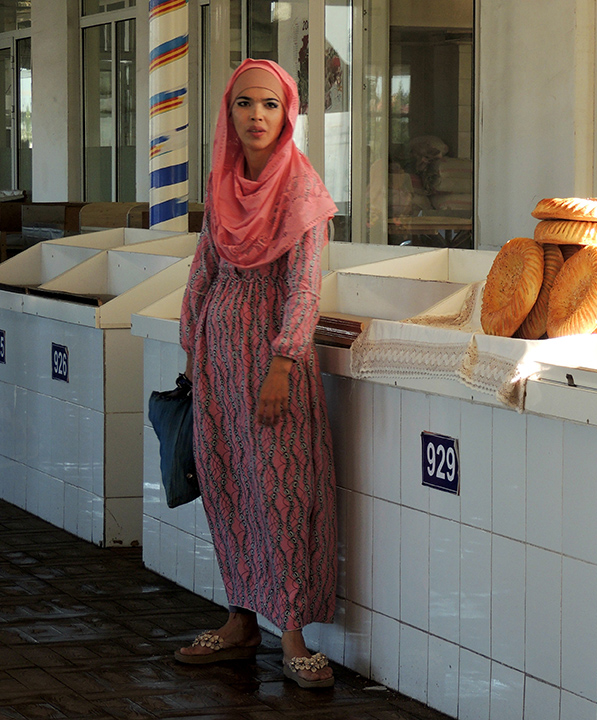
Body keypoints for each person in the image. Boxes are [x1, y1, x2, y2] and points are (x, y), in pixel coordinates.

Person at [175, 58, 338, 689]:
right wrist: (193, 346)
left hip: (275, 360)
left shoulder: (301, 191)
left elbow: (304, 287)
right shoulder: (222, 183)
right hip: (218, 355)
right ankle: (242, 618)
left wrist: (282, 362)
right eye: (245, 103)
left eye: (270, 104)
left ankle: (292, 630)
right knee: (229, 483)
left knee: (281, 488)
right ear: (229, 111)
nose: (257, 116)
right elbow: (204, 271)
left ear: (288, 112)